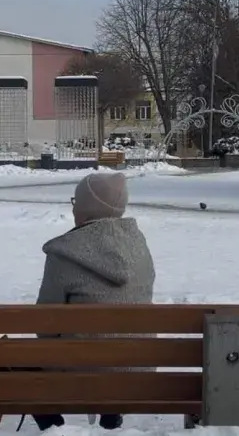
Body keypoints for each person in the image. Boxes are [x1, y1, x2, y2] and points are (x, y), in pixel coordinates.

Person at [31, 172, 156, 431]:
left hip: (79, 374)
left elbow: (44, 323)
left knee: (15, 359)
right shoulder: (139, 247)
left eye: (76, 201)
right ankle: (111, 412)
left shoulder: (63, 253)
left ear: (87, 210)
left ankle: (53, 426)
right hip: (137, 370)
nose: (74, 206)